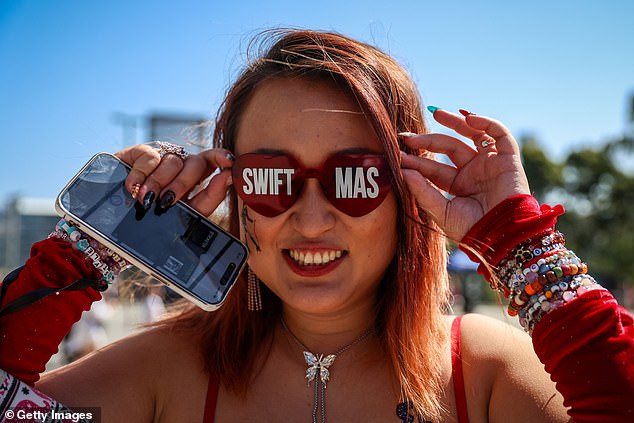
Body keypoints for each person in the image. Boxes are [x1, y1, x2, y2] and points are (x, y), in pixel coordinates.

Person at [1, 29, 632, 423]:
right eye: (271, 179)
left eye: (353, 178)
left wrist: (523, 248)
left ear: (409, 192)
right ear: (238, 196)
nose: (309, 217)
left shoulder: (487, 374)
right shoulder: (160, 372)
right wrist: (85, 249)